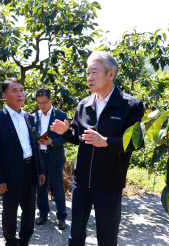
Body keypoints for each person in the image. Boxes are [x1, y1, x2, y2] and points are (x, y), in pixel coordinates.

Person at [51, 51, 144, 246]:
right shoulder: (84, 104)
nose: (89, 77)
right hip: (81, 182)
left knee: (107, 237)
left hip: (109, 185)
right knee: (75, 235)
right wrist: (66, 132)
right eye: (87, 73)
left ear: (111, 74)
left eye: (94, 72)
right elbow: (79, 137)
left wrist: (107, 142)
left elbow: (136, 143)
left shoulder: (130, 106)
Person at [0, 77, 45, 246]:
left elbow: (35, 146)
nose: (20, 94)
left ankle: (25, 240)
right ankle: (10, 242)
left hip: (29, 170)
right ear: (5, 96)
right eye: (15, 91)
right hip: (10, 174)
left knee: (29, 211)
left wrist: (40, 169)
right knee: (10, 212)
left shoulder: (30, 117)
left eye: (21, 90)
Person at [34, 88, 68, 230]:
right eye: (39, 103)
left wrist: (52, 142)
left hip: (54, 156)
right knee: (41, 187)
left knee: (58, 188)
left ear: (51, 100)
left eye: (45, 102)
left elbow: (66, 137)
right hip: (40, 157)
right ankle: (43, 213)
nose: (42, 106)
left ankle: (61, 217)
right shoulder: (34, 116)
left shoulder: (60, 115)